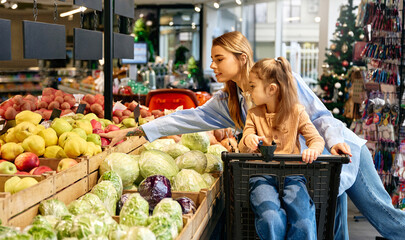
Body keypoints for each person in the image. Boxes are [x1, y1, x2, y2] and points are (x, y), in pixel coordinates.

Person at [100, 31, 405, 240]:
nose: (212, 65)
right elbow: (187, 118)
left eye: (219, 58)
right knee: (330, 226)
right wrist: (139, 129)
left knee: (383, 217)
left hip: (341, 151)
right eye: (213, 59)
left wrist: (335, 143)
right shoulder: (231, 100)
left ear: (241, 58)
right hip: (313, 168)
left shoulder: (279, 79)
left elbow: (321, 115)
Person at [239, 57, 325, 239]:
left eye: (253, 86)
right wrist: (250, 140)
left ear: (271, 89)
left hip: (293, 175)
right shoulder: (253, 114)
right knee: (270, 217)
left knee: (303, 220)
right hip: (261, 175)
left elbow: (316, 139)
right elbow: (244, 141)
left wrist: (313, 150)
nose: (249, 91)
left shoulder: (297, 112)